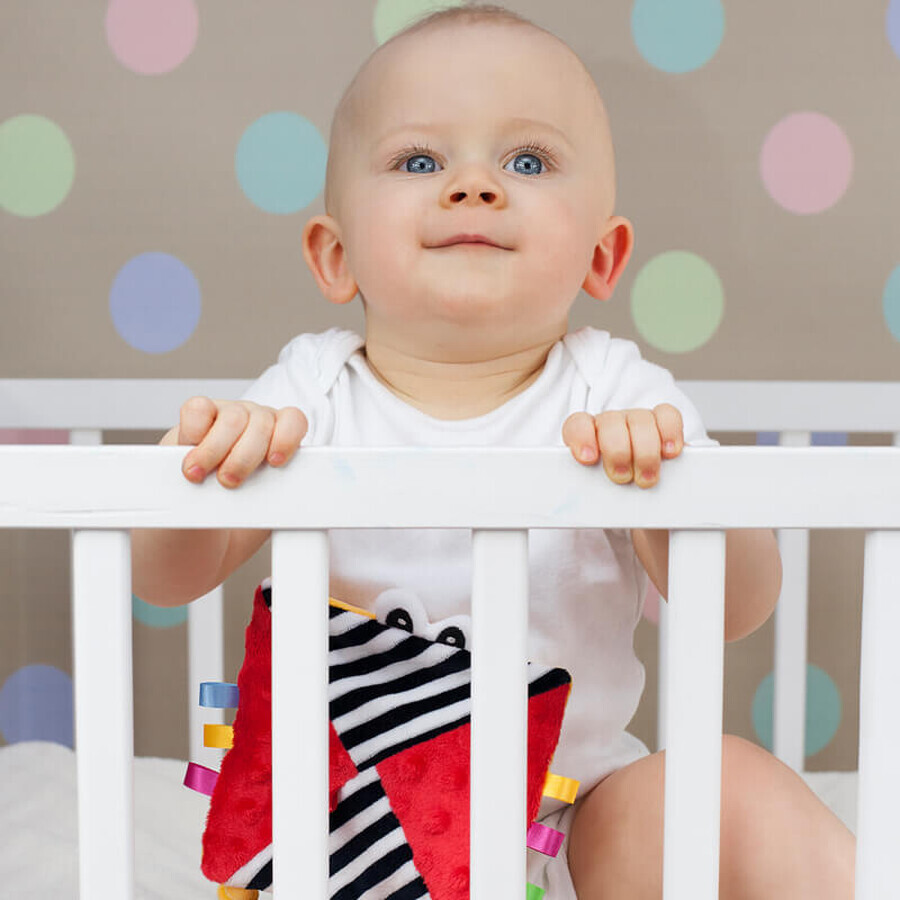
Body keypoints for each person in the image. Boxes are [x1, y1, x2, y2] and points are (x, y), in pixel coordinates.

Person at [132, 5, 856, 897]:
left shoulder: (619, 394)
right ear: (335, 254)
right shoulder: (308, 392)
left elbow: (737, 607)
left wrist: (672, 490)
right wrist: (195, 470)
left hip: (571, 827)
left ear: (602, 255)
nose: (473, 186)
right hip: (360, 833)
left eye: (528, 161)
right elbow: (167, 578)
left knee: (716, 782)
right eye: (419, 161)